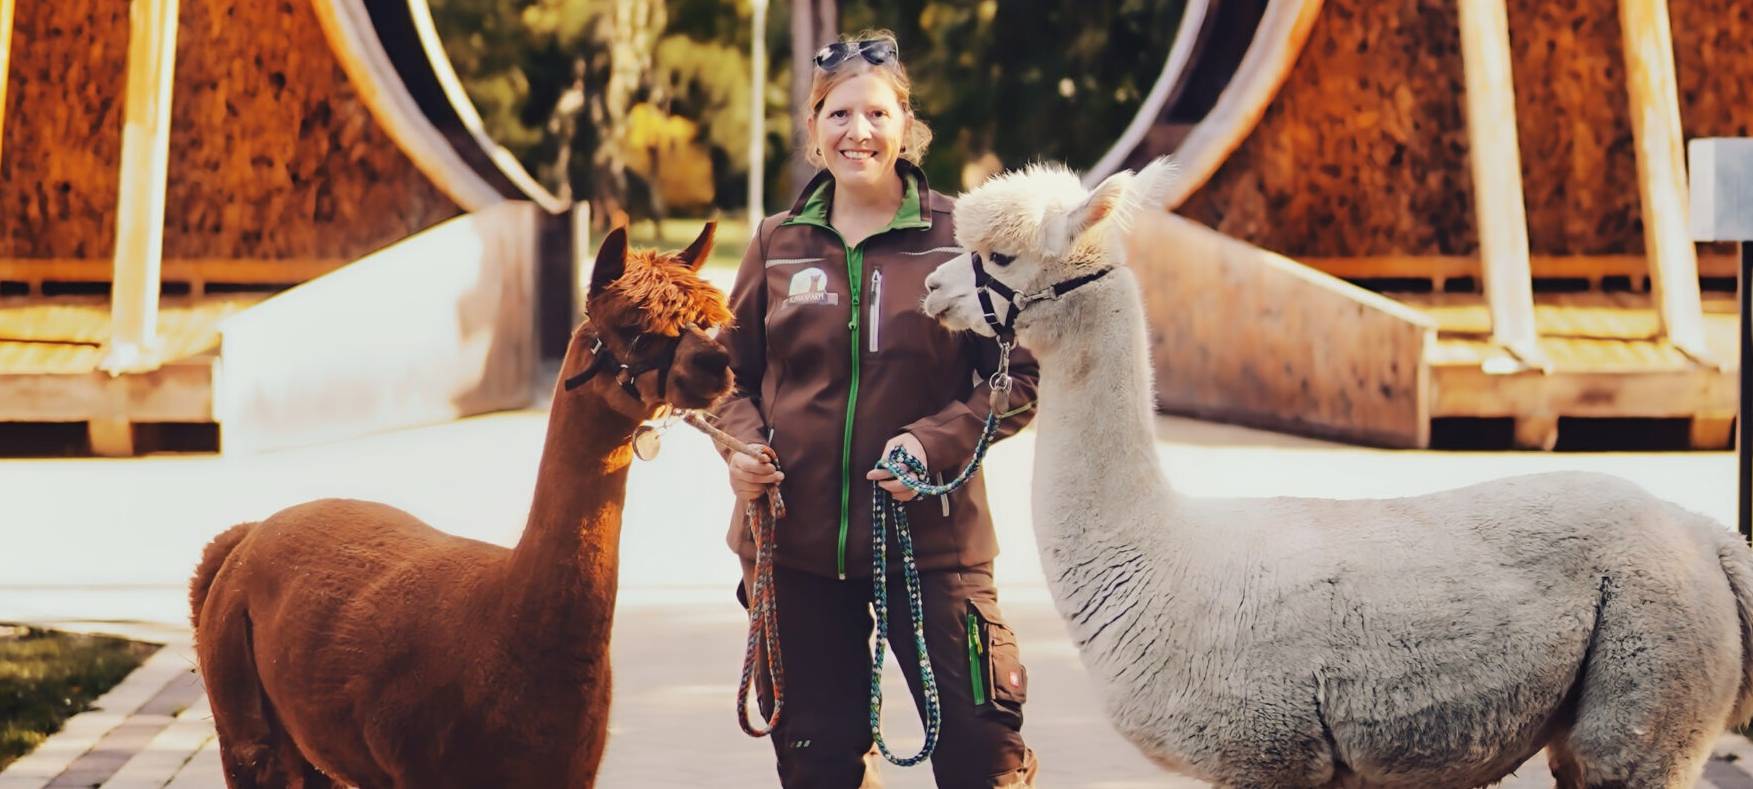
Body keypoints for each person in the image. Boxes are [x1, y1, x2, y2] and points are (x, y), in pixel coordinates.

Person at [709, 29, 1042, 789]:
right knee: (818, 765)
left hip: (936, 550)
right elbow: (726, 375)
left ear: (905, 125)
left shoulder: (964, 237)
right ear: (814, 128)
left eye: (876, 114)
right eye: (838, 115)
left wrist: (936, 443)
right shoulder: (776, 242)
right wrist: (739, 446)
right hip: (796, 554)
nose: (857, 131)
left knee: (981, 758)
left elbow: (1015, 375)